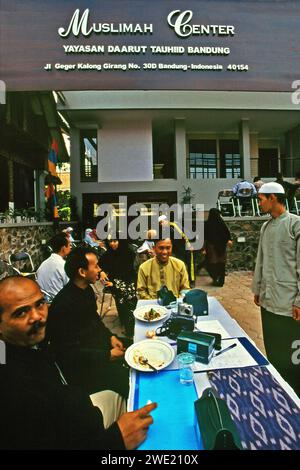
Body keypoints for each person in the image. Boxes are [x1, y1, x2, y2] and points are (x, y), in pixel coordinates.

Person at [0, 276, 156, 450]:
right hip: (85, 435)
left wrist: (110, 337)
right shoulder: (15, 390)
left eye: (40, 304)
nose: (37, 317)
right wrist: (117, 439)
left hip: (82, 408)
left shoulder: (28, 340)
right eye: (21, 312)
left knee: (120, 394)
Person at [46, 246, 130, 397]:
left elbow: (95, 321)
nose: (99, 269)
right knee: (128, 380)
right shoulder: (63, 305)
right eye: (96, 266)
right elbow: (67, 353)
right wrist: (107, 356)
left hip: (98, 347)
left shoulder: (87, 290)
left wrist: (111, 337)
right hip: (84, 368)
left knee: (135, 346)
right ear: (82, 272)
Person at [252, 182, 300, 396]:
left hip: (289, 303)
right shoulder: (266, 227)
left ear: (273, 198)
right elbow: (260, 261)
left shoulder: (295, 224)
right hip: (268, 300)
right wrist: (257, 289)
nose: (258, 202)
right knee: (274, 351)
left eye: (261, 198)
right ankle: (278, 391)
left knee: (292, 355)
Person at [100, 238, 137, 337]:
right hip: (114, 283)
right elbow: (98, 265)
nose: (112, 244)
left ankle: (131, 327)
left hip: (128, 281)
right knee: (120, 304)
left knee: (129, 304)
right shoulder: (108, 254)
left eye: (115, 241)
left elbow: (129, 271)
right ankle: (125, 324)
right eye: (110, 242)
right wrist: (101, 272)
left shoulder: (129, 253)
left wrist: (116, 284)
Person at [158, 215, 195, 287]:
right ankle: (180, 281)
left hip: (185, 247)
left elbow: (184, 235)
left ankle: (191, 281)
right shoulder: (165, 229)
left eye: (161, 222)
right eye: (160, 223)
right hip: (177, 249)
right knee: (178, 265)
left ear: (166, 220)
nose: (161, 224)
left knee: (190, 265)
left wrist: (189, 244)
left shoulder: (174, 225)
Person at [36, 232, 71, 299]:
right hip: (58, 302)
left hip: (45, 299)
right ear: (63, 248)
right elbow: (71, 288)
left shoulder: (44, 263)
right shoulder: (64, 266)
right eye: (69, 245)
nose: (70, 248)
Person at [203, 208, 232, 287]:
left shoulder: (207, 224)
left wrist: (204, 248)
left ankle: (216, 279)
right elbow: (227, 233)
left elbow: (205, 237)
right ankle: (219, 280)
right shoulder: (220, 223)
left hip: (212, 247)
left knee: (213, 264)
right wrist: (229, 240)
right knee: (221, 264)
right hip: (219, 247)